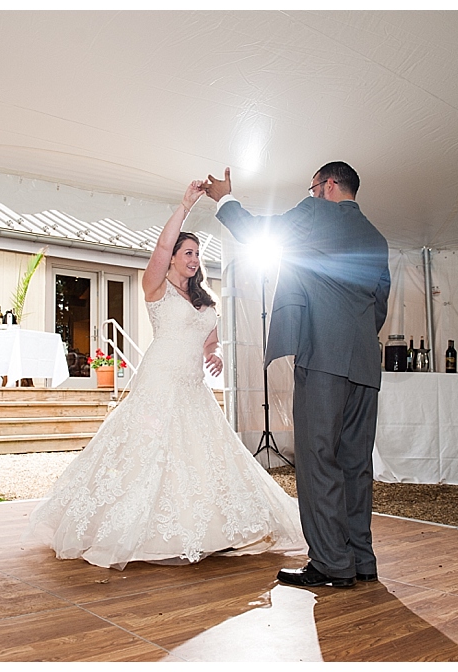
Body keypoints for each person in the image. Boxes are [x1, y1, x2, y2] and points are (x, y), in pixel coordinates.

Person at [26, 180, 306, 570]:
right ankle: (127, 527)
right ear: (173, 257)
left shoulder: (205, 300)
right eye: (188, 252)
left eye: (197, 253)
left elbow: (210, 341)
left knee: (201, 455)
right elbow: (159, 247)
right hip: (159, 379)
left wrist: (217, 355)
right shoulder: (155, 288)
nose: (194, 259)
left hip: (193, 386)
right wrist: (185, 207)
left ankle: (210, 528)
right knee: (148, 451)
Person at [205, 162, 391, 588]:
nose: (311, 195)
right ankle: (362, 560)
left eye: (312, 188)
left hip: (324, 360)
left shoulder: (314, 214)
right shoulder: (377, 238)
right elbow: (379, 304)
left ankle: (330, 564)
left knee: (317, 461)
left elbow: (255, 231)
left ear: (327, 186)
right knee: (355, 465)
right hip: (364, 363)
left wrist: (224, 199)